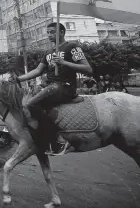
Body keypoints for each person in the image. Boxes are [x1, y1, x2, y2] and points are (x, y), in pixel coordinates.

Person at [12, 22, 93, 156]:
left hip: (66, 86)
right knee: (25, 100)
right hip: (50, 86)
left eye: (52, 32)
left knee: (30, 104)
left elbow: (88, 68)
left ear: (62, 32)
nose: (49, 35)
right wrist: (18, 79)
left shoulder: (72, 47)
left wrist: (64, 62)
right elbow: (38, 70)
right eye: (48, 32)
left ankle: (58, 139)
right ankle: (37, 136)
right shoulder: (48, 52)